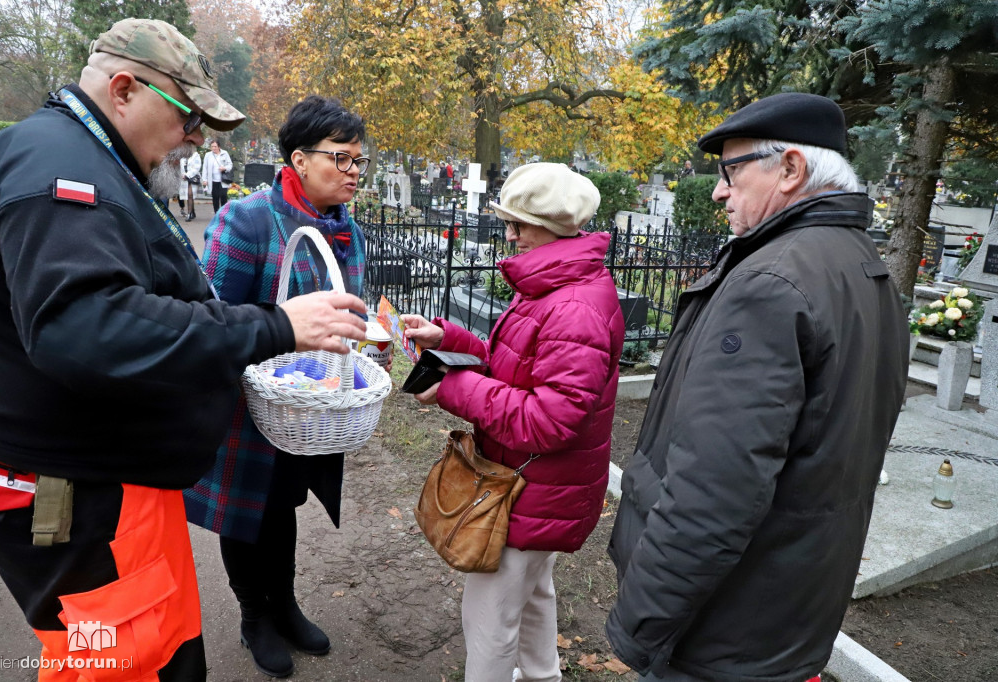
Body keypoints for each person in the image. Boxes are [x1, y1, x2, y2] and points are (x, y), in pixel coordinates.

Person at [0, 18, 367, 681]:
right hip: (72, 488)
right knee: (121, 659)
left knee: (164, 646)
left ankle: (272, 608)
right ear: (123, 88)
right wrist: (275, 328)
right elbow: (85, 327)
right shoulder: (61, 171)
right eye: (188, 116)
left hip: (98, 474)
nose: (194, 137)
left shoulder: (79, 157)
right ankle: (253, 614)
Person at [605, 93, 908, 681]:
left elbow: (713, 491)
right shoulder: (861, 266)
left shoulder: (770, 284)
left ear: (790, 169)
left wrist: (639, 624)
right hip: (789, 614)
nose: (720, 190)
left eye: (732, 170)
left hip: (723, 629)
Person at [403, 162, 625, 682]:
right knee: (532, 593)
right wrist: (449, 341)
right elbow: (516, 368)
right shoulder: (556, 286)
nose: (509, 234)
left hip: (530, 488)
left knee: (489, 621)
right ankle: (543, 674)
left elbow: (549, 420)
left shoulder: (572, 306)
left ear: (555, 226)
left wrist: (454, 388)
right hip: (537, 488)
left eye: (519, 224)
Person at [184, 94, 371, 678]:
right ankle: (252, 615)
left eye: (359, 161)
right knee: (248, 509)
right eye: (340, 157)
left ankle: (284, 604)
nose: (352, 171)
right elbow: (213, 314)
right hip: (249, 403)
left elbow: (351, 315)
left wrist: (374, 335)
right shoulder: (248, 219)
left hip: (308, 409)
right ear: (298, 158)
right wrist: (279, 341)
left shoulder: (346, 232)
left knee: (284, 502)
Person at [202, 137, 233, 211]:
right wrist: (204, 179)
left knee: (223, 196)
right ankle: (216, 213)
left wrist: (224, 168)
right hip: (213, 180)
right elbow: (205, 168)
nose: (214, 148)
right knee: (215, 197)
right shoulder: (208, 155)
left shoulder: (224, 153)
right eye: (212, 146)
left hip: (223, 180)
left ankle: (224, 213)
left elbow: (230, 165)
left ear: (219, 147)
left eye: (215, 146)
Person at [179, 145, 201, 221]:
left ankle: (189, 214)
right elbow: (181, 167)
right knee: (188, 196)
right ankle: (192, 212)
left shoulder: (196, 155)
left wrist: (188, 175)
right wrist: (183, 174)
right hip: (184, 179)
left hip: (192, 177)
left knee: (190, 195)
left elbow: (197, 167)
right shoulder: (183, 157)